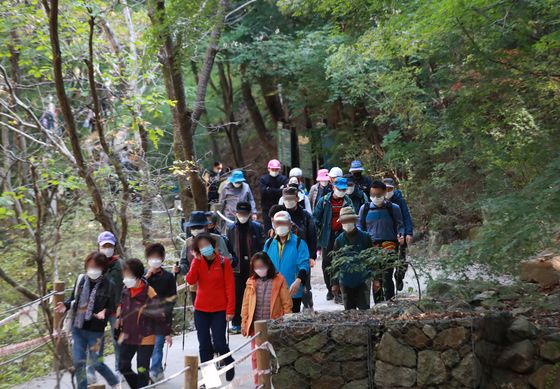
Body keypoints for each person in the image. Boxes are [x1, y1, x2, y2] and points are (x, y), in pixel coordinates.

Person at [55, 252, 120, 389]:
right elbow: (74, 299)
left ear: (103, 268)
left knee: (96, 363)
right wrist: (65, 305)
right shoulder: (81, 280)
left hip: (96, 332)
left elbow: (112, 306)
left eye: (96, 267)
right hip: (78, 328)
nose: (92, 269)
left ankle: (113, 382)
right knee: (79, 363)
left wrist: (106, 312)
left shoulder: (109, 285)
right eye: (90, 266)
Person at [186, 234, 236, 382]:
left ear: (213, 245)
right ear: (197, 249)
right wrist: (196, 261)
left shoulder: (223, 262)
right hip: (201, 309)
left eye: (206, 244)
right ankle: (210, 379)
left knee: (220, 342)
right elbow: (190, 280)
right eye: (200, 246)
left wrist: (230, 310)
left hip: (219, 309)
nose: (204, 248)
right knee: (204, 344)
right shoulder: (197, 261)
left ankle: (229, 362)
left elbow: (230, 287)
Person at [117, 258, 171, 389]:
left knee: (142, 369)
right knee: (123, 366)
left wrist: (167, 333)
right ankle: (141, 386)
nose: (125, 278)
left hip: (146, 337)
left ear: (137, 276)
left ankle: (143, 384)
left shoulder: (149, 292)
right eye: (124, 275)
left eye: (128, 275)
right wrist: (118, 319)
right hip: (128, 335)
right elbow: (122, 307)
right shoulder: (125, 290)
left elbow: (159, 315)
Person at [241, 252, 292, 384]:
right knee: (256, 357)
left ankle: (277, 383)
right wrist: (244, 323)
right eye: (256, 267)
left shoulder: (279, 280)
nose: (260, 269)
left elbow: (287, 303)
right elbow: (245, 305)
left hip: (275, 325)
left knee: (275, 356)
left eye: (262, 266)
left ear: (268, 265)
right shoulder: (251, 282)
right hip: (256, 328)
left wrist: (287, 322)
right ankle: (259, 384)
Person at [358, 181, 405, 302]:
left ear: (385, 193)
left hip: (389, 245)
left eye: (378, 195)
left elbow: (400, 225)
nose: (375, 198)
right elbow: (359, 226)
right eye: (372, 195)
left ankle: (390, 301)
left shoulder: (393, 208)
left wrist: (401, 235)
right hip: (371, 246)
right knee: (375, 276)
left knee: (387, 275)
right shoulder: (365, 208)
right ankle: (378, 303)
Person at [175, 211, 234, 303]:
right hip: (196, 287)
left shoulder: (218, 239)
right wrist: (179, 269)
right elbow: (184, 263)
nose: (196, 230)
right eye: (194, 227)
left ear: (206, 227)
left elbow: (228, 261)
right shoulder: (188, 243)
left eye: (199, 227)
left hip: (216, 286)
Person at [225, 202, 265, 334]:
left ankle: (254, 321)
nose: (242, 216)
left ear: (249, 214)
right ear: (236, 214)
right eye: (240, 214)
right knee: (237, 295)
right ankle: (236, 323)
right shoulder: (230, 228)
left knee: (254, 294)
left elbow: (261, 245)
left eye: (245, 214)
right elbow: (227, 247)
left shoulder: (257, 227)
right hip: (236, 268)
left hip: (253, 268)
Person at [89, 231, 122, 383]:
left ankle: (119, 369)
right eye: (104, 246)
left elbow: (125, 286)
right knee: (96, 341)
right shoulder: (93, 263)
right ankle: (92, 371)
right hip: (97, 309)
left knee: (118, 341)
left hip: (116, 309)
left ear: (114, 247)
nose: (107, 248)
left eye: (110, 246)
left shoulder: (120, 265)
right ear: (99, 247)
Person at [313, 177, 352, 303]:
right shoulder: (324, 201)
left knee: (341, 262)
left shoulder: (347, 201)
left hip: (342, 235)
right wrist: (319, 230)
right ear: (334, 187)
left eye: (343, 189)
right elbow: (315, 218)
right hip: (327, 236)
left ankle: (339, 290)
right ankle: (330, 288)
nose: (341, 191)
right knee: (326, 263)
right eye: (339, 189)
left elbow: (352, 216)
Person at [263, 211, 310, 313]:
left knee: (291, 322)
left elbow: (304, 265)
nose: (280, 226)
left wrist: (298, 281)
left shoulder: (299, 243)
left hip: (292, 291)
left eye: (283, 223)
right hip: (272, 290)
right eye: (278, 223)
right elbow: (264, 264)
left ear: (289, 224)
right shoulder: (269, 243)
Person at [144, 243, 177, 382]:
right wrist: (147, 276)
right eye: (152, 257)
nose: (155, 260)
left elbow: (171, 299)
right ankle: (157, 371)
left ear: (162, 258)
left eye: (157, 257)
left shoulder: (168, 277)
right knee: (148, 348)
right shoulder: (143, 276)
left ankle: (153, 373)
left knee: (158, 345)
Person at [281, 187, 317, 311]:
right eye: (286, 199)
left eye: (291, 198)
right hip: (284, 254)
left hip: (303, 254)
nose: (289, 201)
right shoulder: (280, 215)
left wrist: (312, 256)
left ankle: (308, 307)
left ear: (297, 199)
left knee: (305, 284)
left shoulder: (306, 216)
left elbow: (312, 235)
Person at [331, 207, 373, 310]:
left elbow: (372, 259)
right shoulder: (339, 240)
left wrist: (376, 279)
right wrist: (334, 283)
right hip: (345, 280)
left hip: (363, 280)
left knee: (364, 310)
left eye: (349, 220)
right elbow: (335, 263)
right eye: (344, 221)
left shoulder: (365, 237)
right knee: (349, 311)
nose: (347, 223)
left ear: (354, 220)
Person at [383, 178, 414, 291]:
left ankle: (399, 277)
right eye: (385, 189)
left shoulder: (399, 200)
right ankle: (388, 286)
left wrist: (408, 233)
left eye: (390, 188)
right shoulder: (379, 200)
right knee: (389, 260)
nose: (387, 191)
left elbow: (406, 217)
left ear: (393, 188)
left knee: (401, 260)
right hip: (387, 235)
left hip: (401, 233)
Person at [259, 159, 289, 231]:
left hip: (281, 209)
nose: (274, 171)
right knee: (268, 230)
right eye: (273, 169)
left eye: (276, 169)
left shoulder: (283, 179)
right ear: (269, 169)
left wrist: (270, 190)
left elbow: (285, 192)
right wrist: (278, 190)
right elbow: (263, 192)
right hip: (267, 209)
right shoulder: (263, 179)